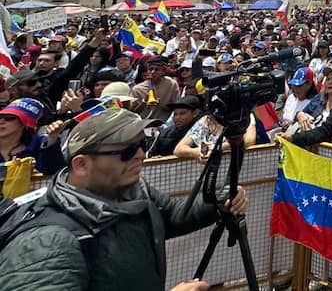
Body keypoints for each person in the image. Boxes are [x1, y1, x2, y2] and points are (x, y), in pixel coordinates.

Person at [0, 107, 248, 291]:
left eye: (142, 144)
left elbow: (172, 216)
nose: (140, 155)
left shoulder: (135, 190)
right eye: (127, 151)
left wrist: (219, 200)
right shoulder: (47, 242)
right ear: (82, 164)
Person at [173, 109, 258, 161]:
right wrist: (195, 152)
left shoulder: (244, 116)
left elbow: (249, 141)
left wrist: (217, 147)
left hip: (236, 167)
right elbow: (178, 149)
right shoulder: (207, 119)